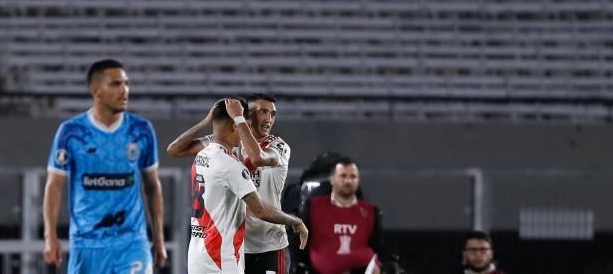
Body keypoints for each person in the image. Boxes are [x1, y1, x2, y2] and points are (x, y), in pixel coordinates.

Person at [42, 59, 167, 273]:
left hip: (131, 242)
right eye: (116, 84)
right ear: (96, 91)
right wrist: (49, 236)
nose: (124, 90)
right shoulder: (71, 132)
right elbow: (54, 185)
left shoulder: (141, 130)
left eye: (126, 83)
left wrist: (159, 238)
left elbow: (152, 185)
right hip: (86, 244)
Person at [167, 94, 292, 274]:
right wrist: (207, 121)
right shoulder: (227, 141)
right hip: (235, 247)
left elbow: (258, 158)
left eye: (273, 114)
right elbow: (174, 150)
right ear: (246, 114)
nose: (269, 119)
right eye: (263, 112)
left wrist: (239, 121)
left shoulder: (278, 146)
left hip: (268, 245)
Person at [302, 157, 394, 274]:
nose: (348, 181)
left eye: (353, 176)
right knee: (368, 255)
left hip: (358, 271)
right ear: (332, 179)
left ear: (358, 180)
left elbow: (379, 249)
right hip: (320, 269)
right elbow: (299, 243)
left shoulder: (370, 212)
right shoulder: (313, 207)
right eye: (343, 176)